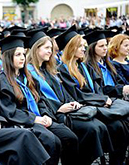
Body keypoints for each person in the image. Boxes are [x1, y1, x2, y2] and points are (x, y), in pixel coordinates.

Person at [0, 32, 79, 165]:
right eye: (17, 55)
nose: (22, 58)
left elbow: (40, 100)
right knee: (53, 142)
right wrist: (35, 119)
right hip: (22, 122)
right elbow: (8, 111)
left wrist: (46, 115)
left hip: (39, 118)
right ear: (8, 57)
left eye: (23, 54)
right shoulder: (0, 80)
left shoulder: (27, 76)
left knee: (70, 138)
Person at [26, 27, 113, 165]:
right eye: (47, 48)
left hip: (65, 111)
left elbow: (63, 93)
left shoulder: (48, 70)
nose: (51, 52)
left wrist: (72, 103)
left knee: (98, 126)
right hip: (54, 114)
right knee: (90, 129)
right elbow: (38, 99)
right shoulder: (30, 72)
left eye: (51, 48)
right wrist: (59, 109)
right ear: (36, 49)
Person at [56, 25, 129, 165]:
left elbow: (96, 87)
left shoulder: (84, 66)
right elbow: (76, 94)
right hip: (86, 107)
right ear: (71, 48)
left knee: (122, 123)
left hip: (97, 104)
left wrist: (103, 98)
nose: (84, 49)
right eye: (80, 46)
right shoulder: (63, 69)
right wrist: (102, 99)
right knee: (113, 127)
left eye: (84, 46)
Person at [84, 30, 129, 99]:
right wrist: (121, 89)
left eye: (106, 45)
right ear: (92, 48)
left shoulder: (109, 64)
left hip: (118, 97)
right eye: (101, 46)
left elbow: (119, 81)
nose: (105, 48)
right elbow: (99, 90)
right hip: (106, 99)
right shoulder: (88, 67)